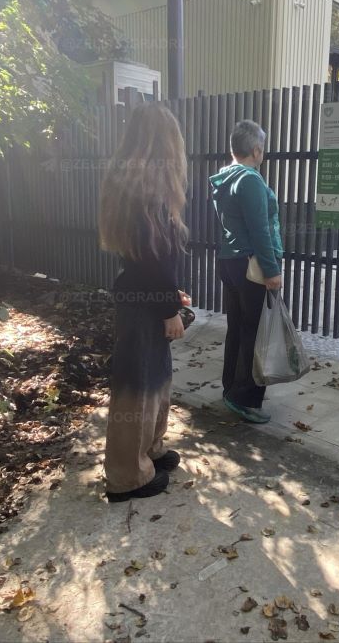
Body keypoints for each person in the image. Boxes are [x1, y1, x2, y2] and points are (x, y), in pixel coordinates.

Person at [99, 103, 191, 502]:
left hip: (144, 297)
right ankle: (126, 476)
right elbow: (153, 257)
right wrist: (169, 309)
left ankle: (149, 449)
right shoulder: (147, 192)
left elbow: (149, 258)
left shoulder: (131, 183)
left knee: (156, 378)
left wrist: (170, 295)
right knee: (137, 386)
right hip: (143, 306)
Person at [210, 120, 283, 424]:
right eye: (261, 148)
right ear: (255, 149)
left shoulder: (224, 177)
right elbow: (260, 230)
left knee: (238, 328)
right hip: (252, 265)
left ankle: (232, 388)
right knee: (256, 333)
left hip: (231, 261)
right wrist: (272, 270)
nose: (262, 153)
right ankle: (246, 399)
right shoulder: (250, 179)